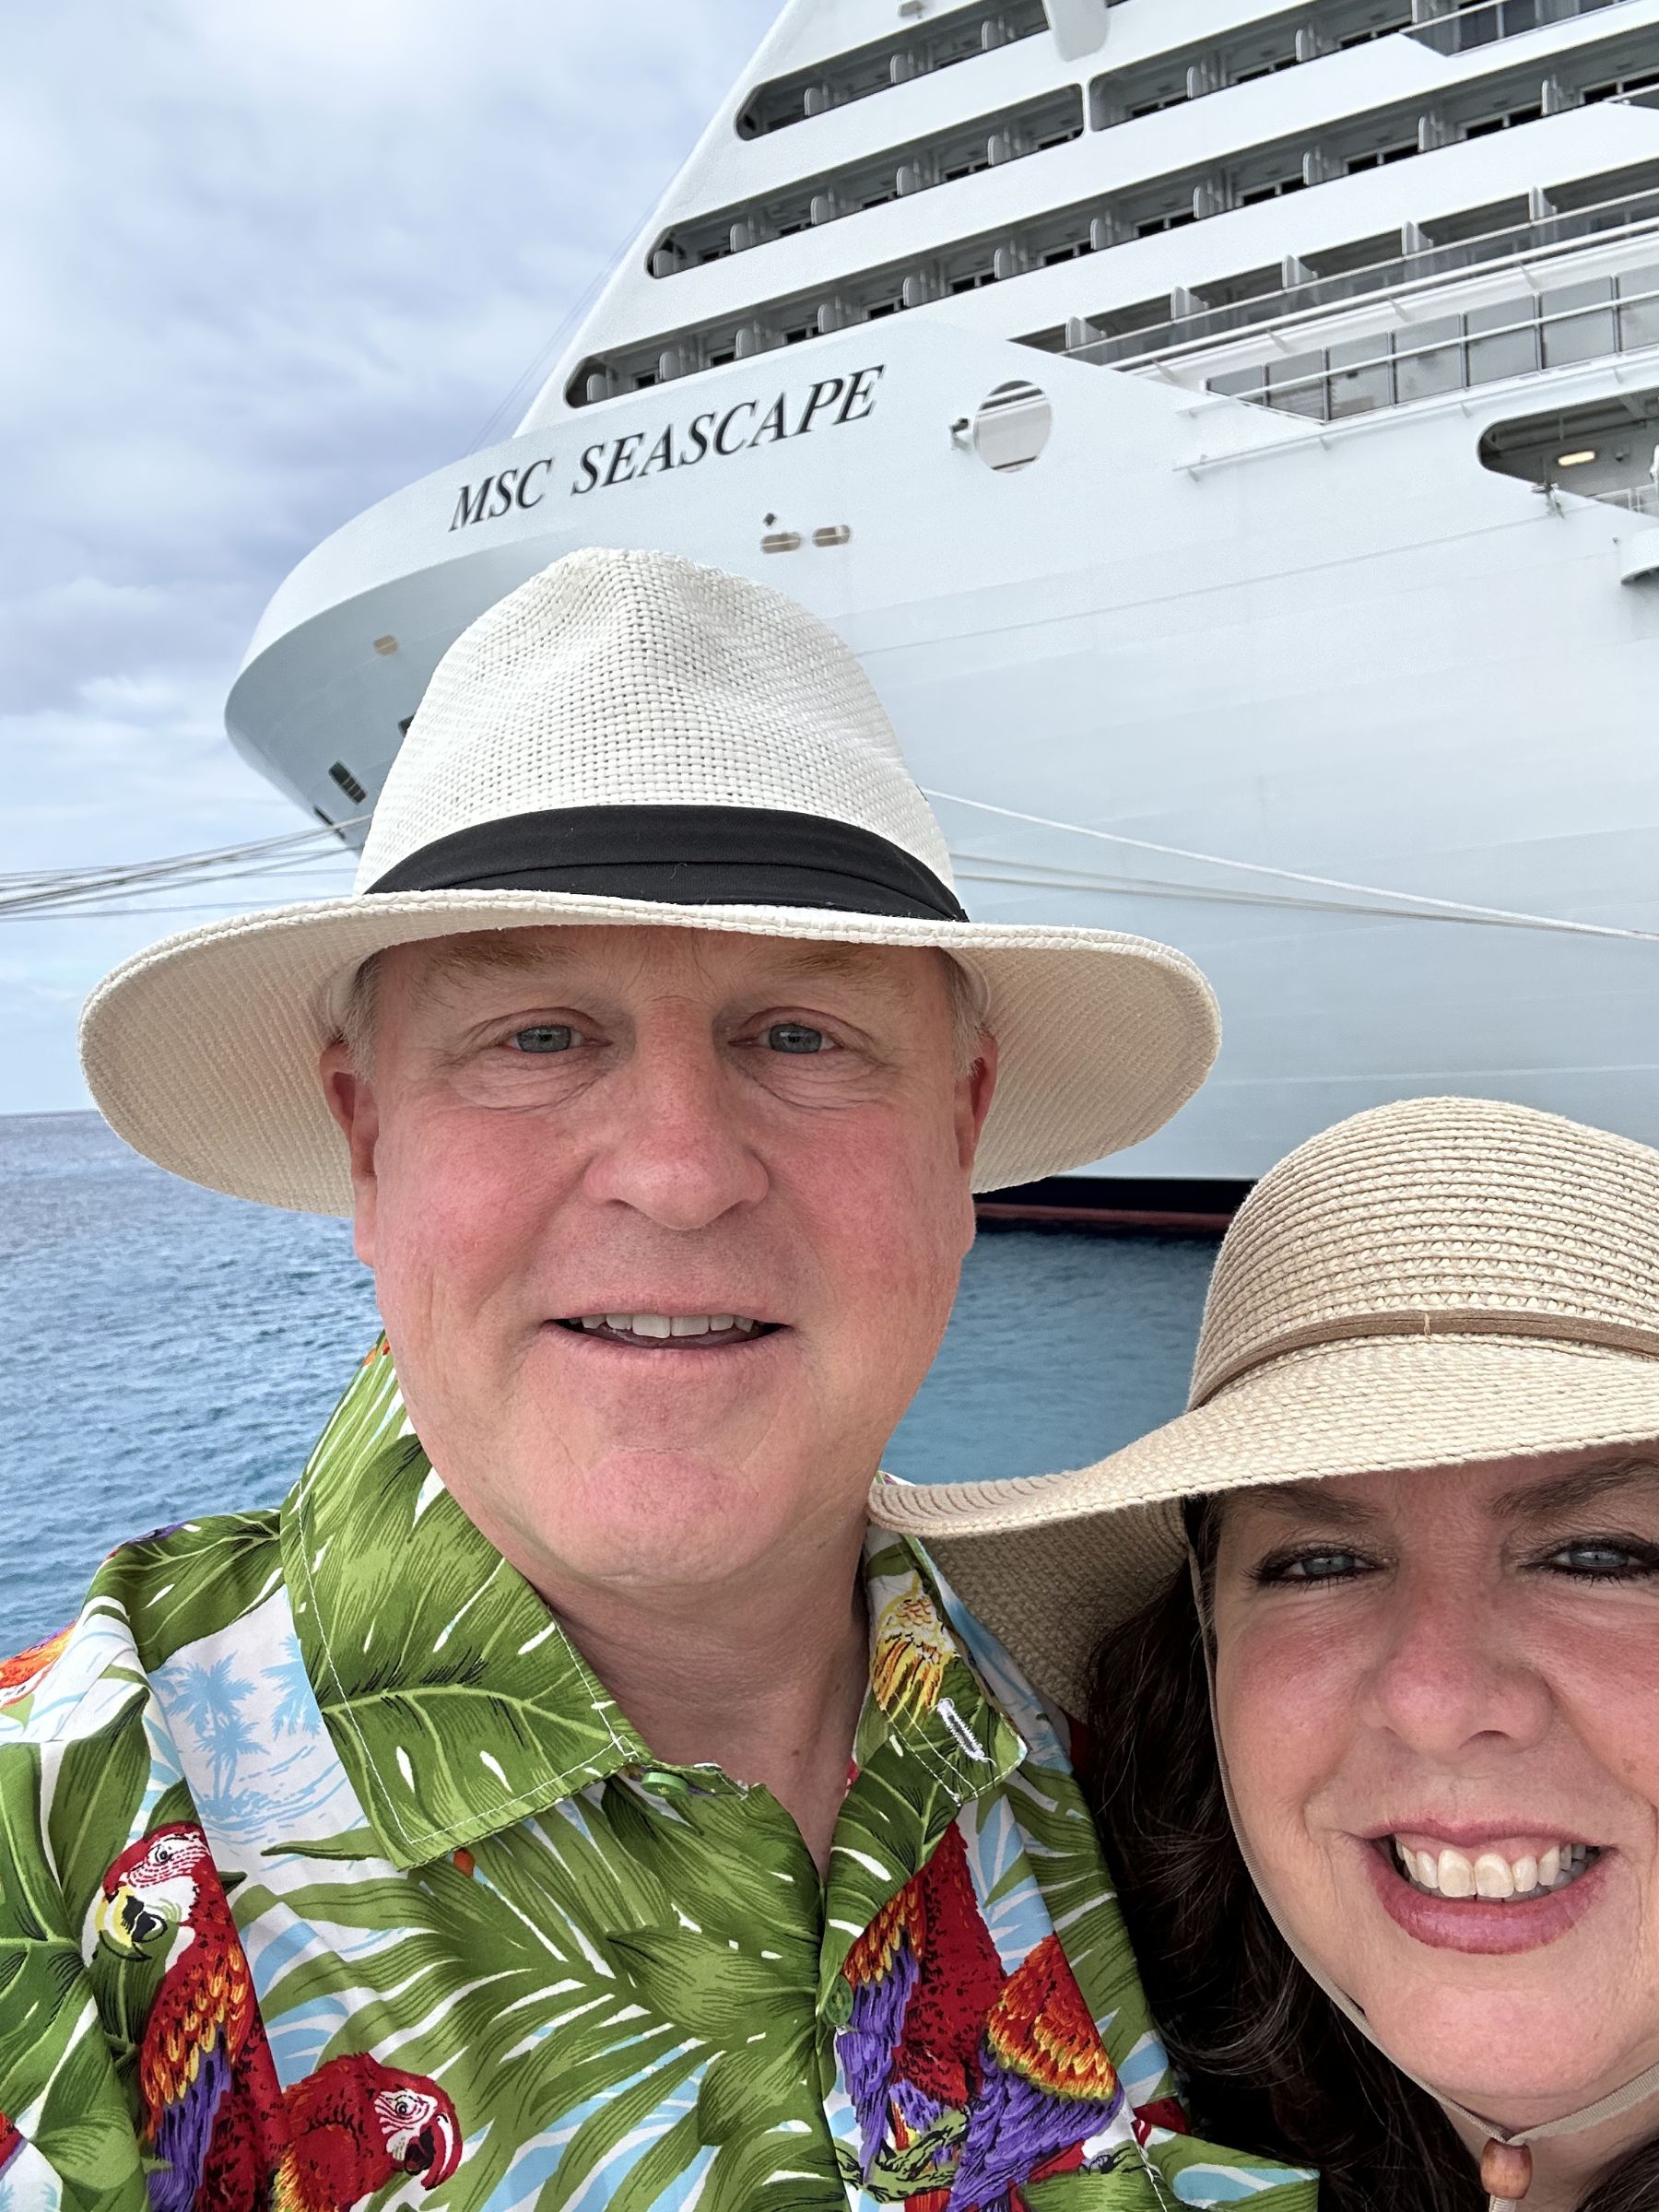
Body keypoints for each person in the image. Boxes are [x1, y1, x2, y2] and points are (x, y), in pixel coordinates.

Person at [0, 548, 1317, 2211]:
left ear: (960, 1136)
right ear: (366, 1135)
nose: (682, 1174)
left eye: (801, 1037)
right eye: (539, 1036)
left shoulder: (1159, 1749)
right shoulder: (55, 1858)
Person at [874, 1094, 1659, 2212]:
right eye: (1319, 1565)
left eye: (1595, 1556)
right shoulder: (1076, 2079)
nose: (1433, 1696)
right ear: (1205, 1648)